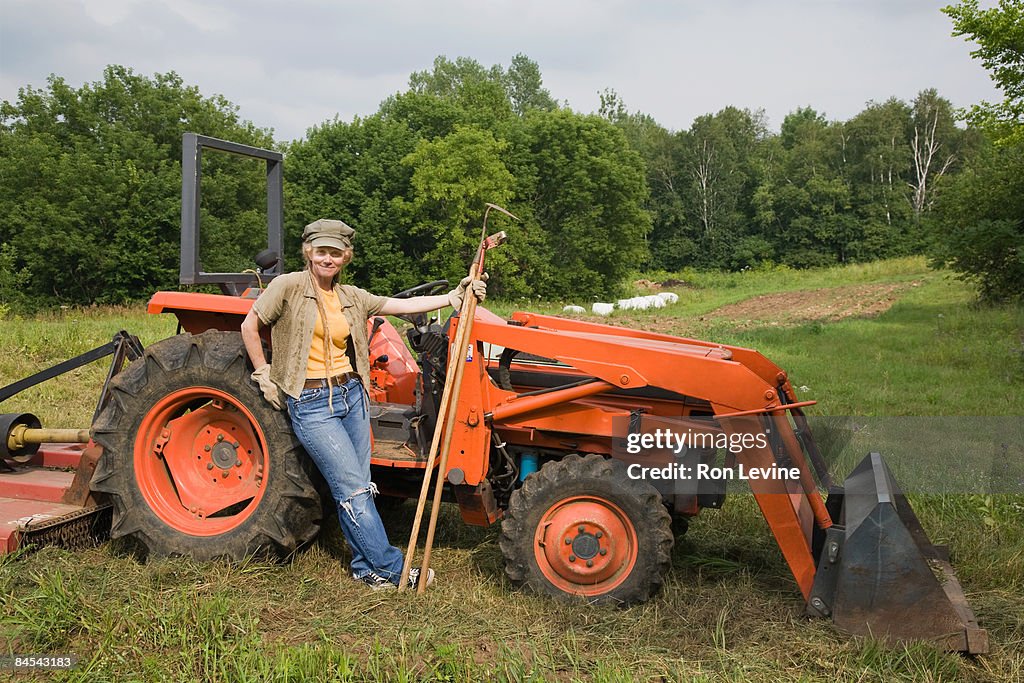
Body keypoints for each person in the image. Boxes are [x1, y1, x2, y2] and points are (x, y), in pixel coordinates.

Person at [240, 218, 485, 590]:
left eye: (335, 253)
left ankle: (364, 567)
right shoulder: (286, 286)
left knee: (359, 485)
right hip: (311, 402)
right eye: (321, 251)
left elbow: (399, 305)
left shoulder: (352, 296)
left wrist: (453, 297)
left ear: (345, 257)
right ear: (309, 252)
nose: (328, 258)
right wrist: (262, 372)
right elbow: (249, 325)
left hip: (352, 396)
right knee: (352, 488)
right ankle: (392, 569)